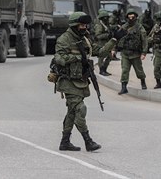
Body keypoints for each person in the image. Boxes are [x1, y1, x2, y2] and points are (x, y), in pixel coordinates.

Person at [49, 12, 126, 152]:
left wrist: (114, 40)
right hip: (68, 82)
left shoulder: (85, 39)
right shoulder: (64, 39)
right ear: (74, 25)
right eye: (81, 25)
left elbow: (101, 51)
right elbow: (59, 58)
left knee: (72, 112)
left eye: (85, 25)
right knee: (80, 109)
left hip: (81, 81)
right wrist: (78, 57)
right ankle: (88, 141)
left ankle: (64, 142)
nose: (84, 27)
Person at [117, 8, 148, 94]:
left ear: (135, 17)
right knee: (124, 70)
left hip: (135, 54)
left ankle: (143, 82)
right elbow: (117, 38)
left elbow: (144, 40)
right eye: (129, 17)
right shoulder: (124, 27)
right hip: (125, 53)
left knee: (139, 70)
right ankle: (124, 87)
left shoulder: (139, 27)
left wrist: (144, 52)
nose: (131, 19)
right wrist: (113, 49)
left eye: (132, 17)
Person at [94, 10, 113, 76]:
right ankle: (101, 70)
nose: (107, 19)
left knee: (110, 57)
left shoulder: (106, 25)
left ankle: (104, 69)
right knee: (101, 57)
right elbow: (97, 36)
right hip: (100, 43)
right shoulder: (99, 25)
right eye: (105, 17)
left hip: (106, 43)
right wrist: (107, 35)